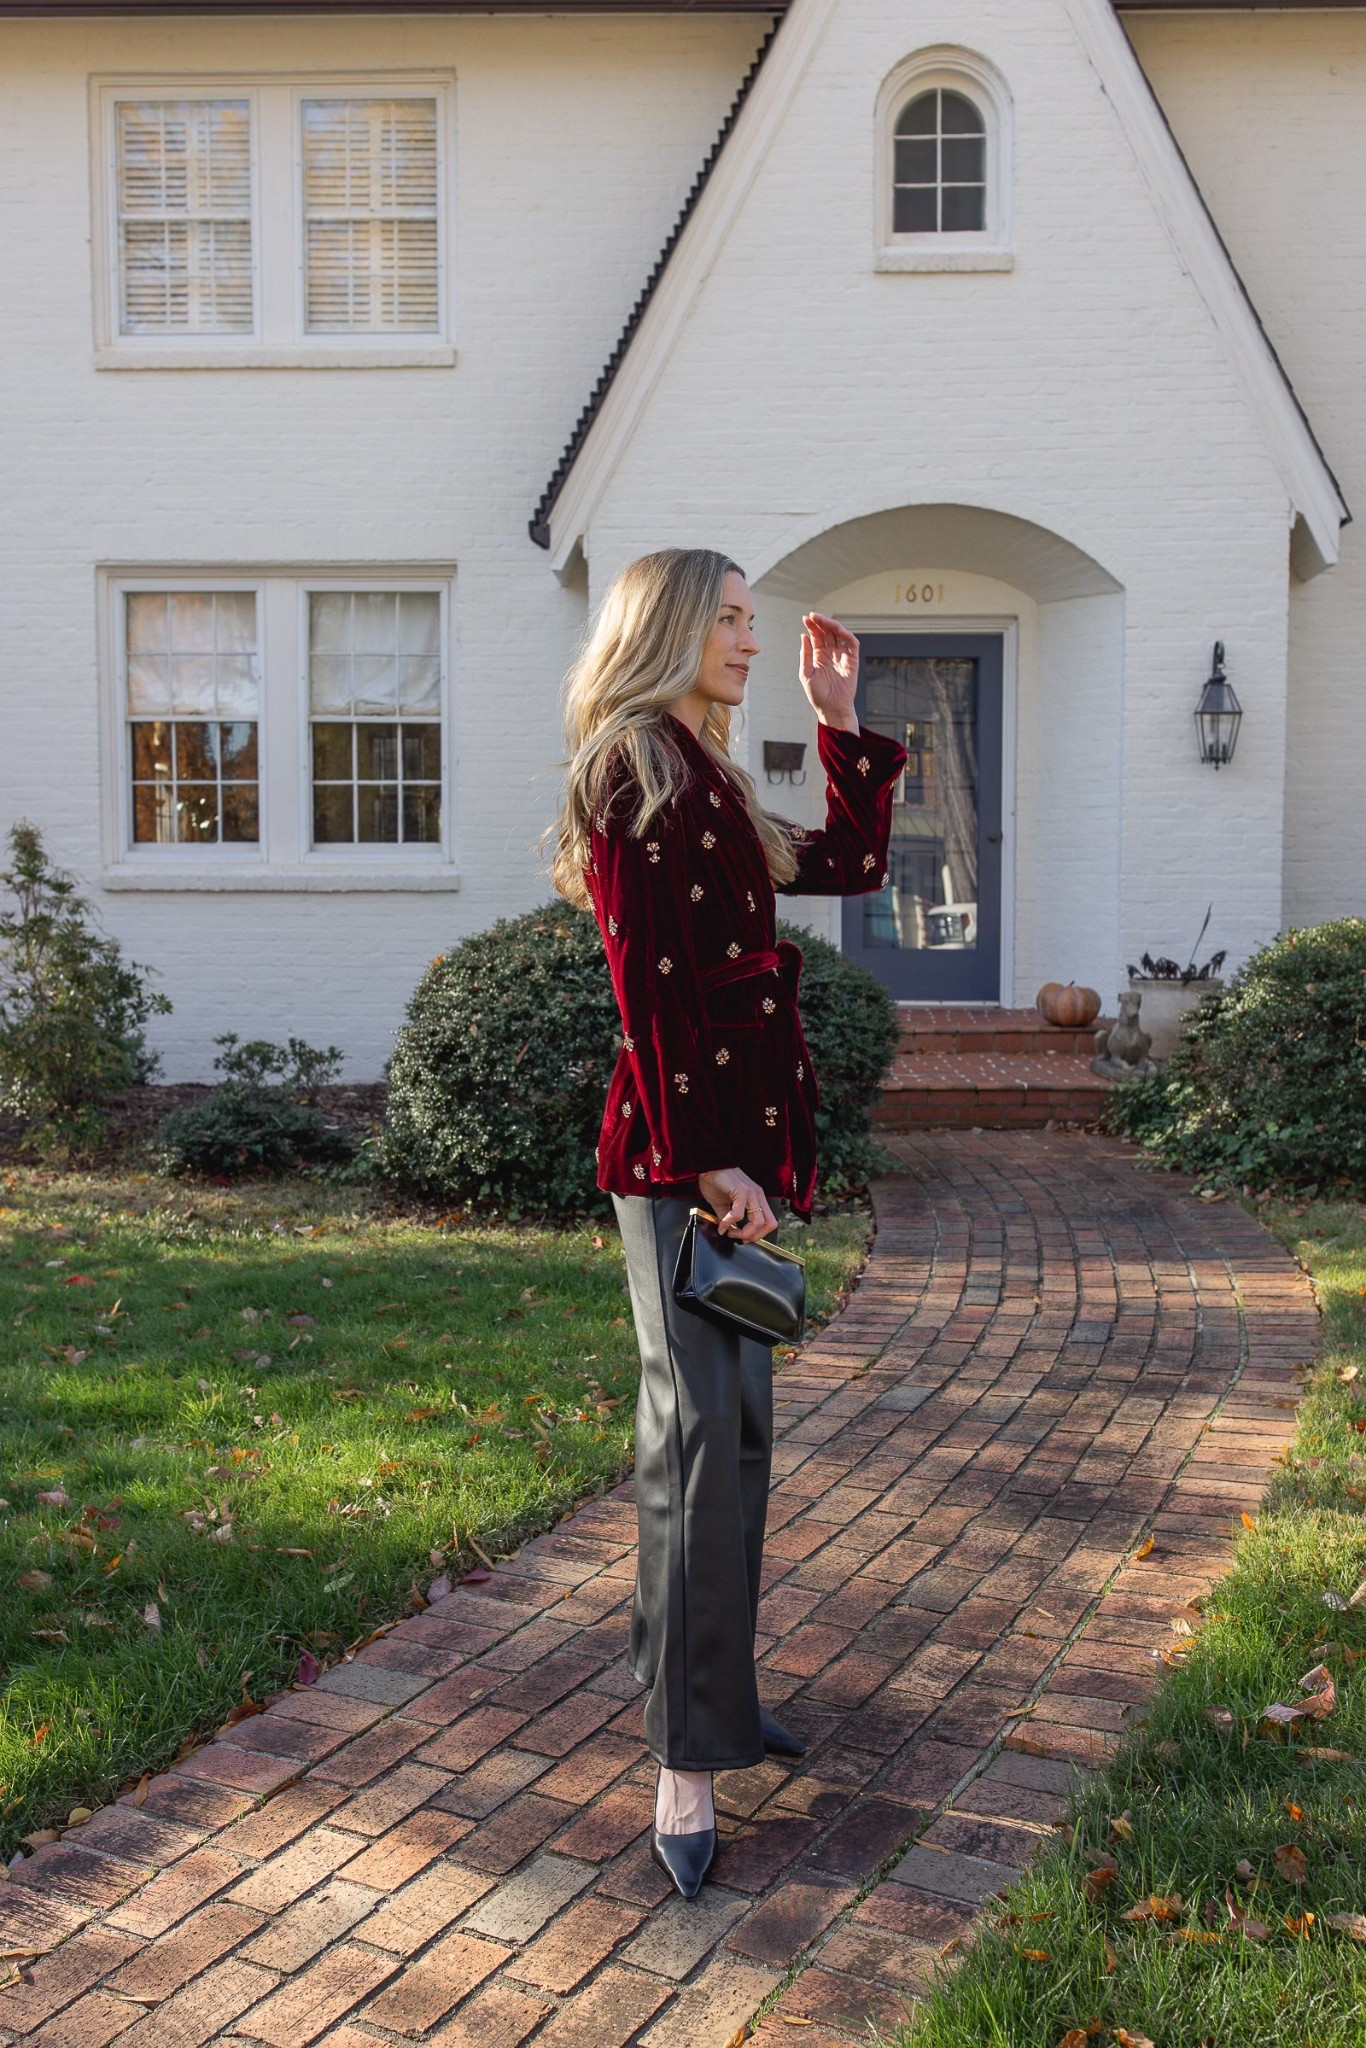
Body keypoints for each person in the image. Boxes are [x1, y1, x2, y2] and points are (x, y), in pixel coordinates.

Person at [550, 549, 905, 1896]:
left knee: (732, 1441)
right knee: (697, 1448)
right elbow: (646, 991)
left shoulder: (706, 773)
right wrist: (706, 1169)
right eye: (734, 624)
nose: (752, 642)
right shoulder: (633, 768)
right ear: (670, 628)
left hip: (735, 1163)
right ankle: (683, 1763)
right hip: (685, 1170)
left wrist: (837, 716)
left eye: (759, 624)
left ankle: (713, 1696)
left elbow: (850, 862)